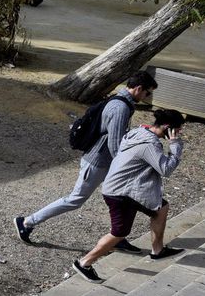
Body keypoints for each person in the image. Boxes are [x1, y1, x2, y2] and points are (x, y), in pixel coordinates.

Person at [15, 71, 158, 248]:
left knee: (122, 197)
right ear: (138, 88)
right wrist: (125, 165)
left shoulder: (122, 102)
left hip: (105, 161)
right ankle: (27, 222)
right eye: (147, 93)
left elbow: (114, 135)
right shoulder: (120, 108)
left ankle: (117, 237)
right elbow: (114, 144)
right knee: (75, 199)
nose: (147, 97)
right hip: (98, 162)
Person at [72, 109, 186, 281]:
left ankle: (158, 250)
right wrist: (175, 146)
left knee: (161, 208)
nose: (179, 133)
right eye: (177, 129)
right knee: (119, 232)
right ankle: (84, 263)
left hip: (123, 188)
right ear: (167, 127)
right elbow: (166, 169)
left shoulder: (139, 133)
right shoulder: (149, 144)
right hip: (122, 193)